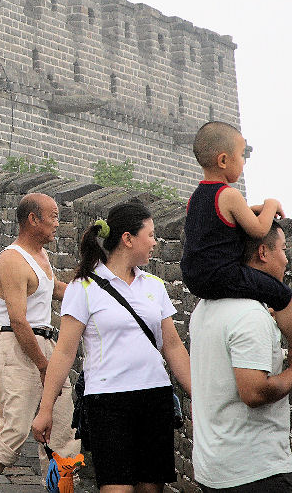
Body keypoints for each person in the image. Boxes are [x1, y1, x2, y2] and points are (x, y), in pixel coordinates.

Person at [31, 202, 191, 492]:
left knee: (151, 488)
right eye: (150, 235)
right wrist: (46, 409)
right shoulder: (84, 287)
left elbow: (173, 346)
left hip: (155, 397)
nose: (155, 242)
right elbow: (65, 352)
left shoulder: (154, 285)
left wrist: (199, 395)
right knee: (116, 488)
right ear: (128, 239)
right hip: (108, 401)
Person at [0, 193, 79, 493]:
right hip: (16, 346)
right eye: (54, 216)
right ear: (33, 219)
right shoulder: (11, 260)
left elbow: (53, 290)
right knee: (16, 426)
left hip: (46, 344)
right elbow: (19, 319)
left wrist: (92, 287)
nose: (57, 224)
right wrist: (44, 366)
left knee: (64, 428)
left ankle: (59, 490)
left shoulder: (41, 256)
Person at [190, 220, 292, 491]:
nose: (286, 259)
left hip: (214, 466)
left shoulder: (206, 305)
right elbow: (254, 392)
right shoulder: (249, 315)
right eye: (283, 249)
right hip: (254, 471)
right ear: (263, 253)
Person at [181, 120, 292, 341]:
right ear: (223, 160)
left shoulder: (195, 197)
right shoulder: (229, 194)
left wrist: (253, 209)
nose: (243, 162)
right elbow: (259, 230)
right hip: (222, 274)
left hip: (193, 277)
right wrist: (270, 203)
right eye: (242, 155)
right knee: (282, 294)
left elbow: (221, 220)